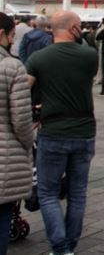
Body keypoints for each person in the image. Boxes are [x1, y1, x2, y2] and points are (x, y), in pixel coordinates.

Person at [25, 10, 97, 255]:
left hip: (52, 132)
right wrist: (83, 38)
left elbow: (24, 89)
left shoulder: (39, 58)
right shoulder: (89, 56)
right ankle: (69, 246)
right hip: (84, 132)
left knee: (47, 193)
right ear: (75, 27)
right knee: (77, 193)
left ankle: (61, 247)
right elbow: (89, 59)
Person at [0, 13, 34, 254]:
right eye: (12, 36)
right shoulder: (12, 67)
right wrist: (28, 143)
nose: (13, 41)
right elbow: (22, 121)